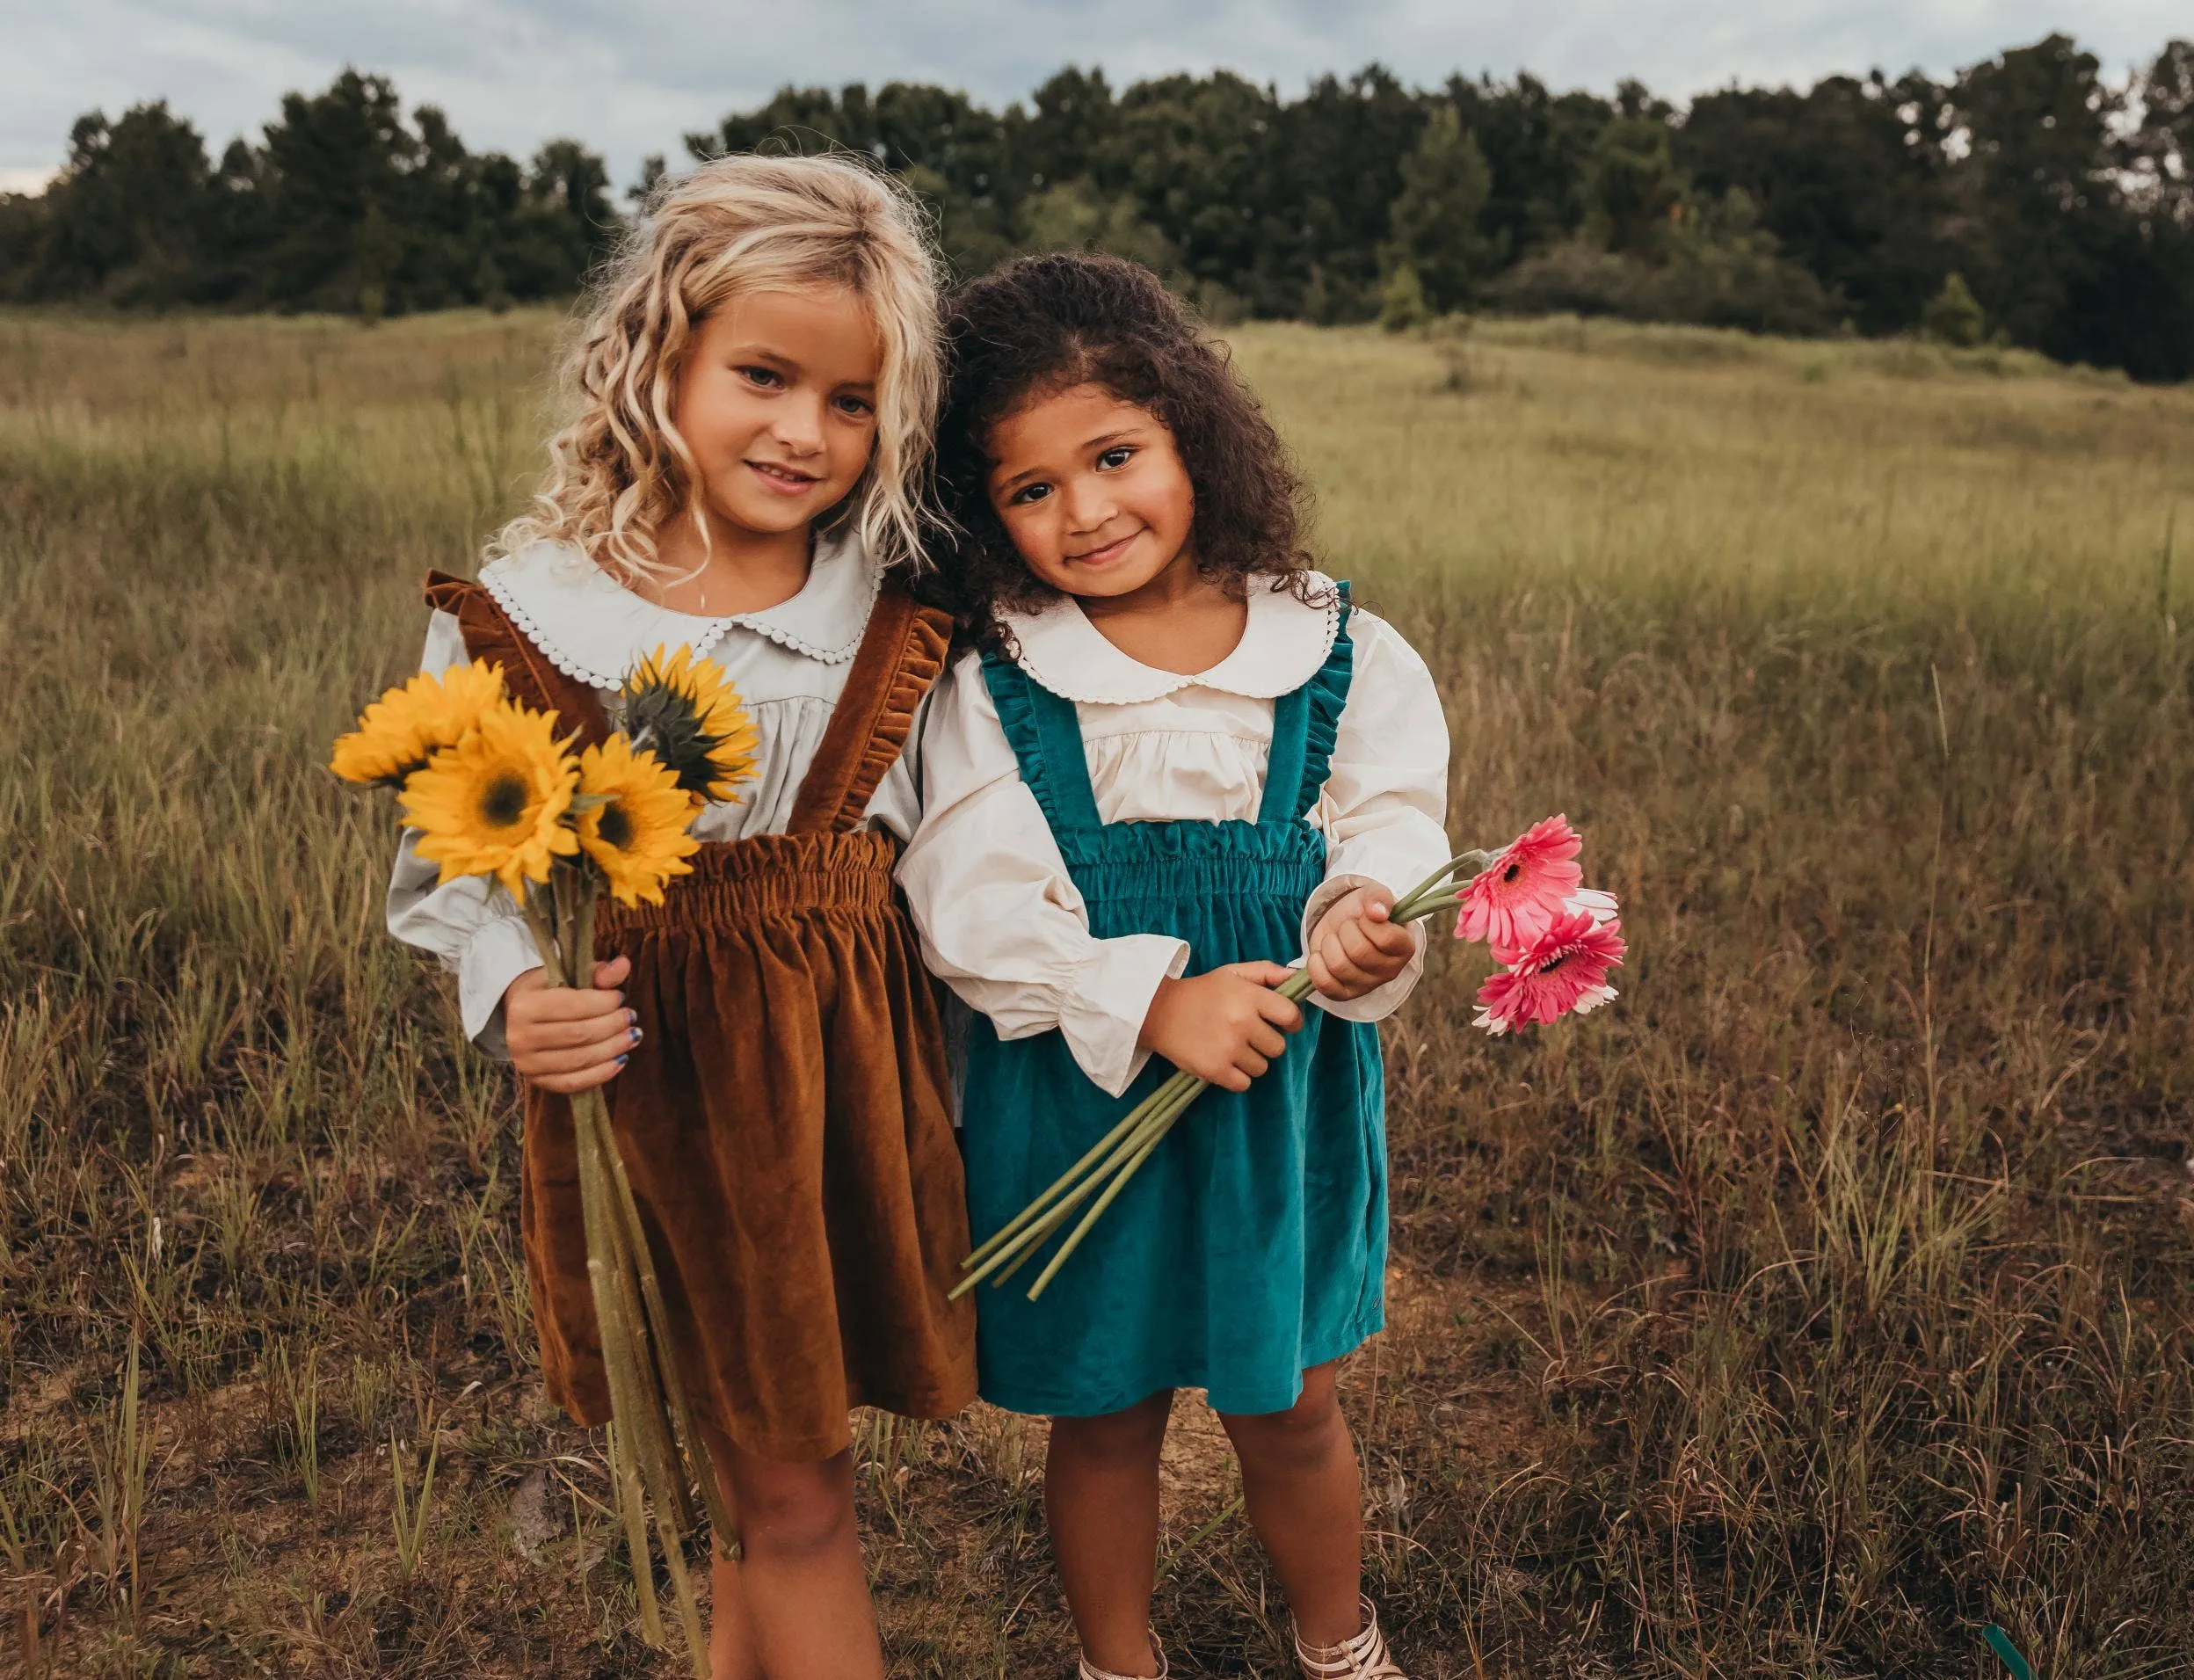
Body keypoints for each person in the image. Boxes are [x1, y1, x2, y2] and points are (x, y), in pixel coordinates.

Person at [383, 152, 972, 1680]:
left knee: (773, 1477)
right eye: (763, 375)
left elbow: (952, 845)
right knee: (781, 1482)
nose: (805, 432)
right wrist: (517, 991)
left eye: (853, 401)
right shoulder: (533, 610)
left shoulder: (892, 605)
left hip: (841, 1073)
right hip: (654, 1077)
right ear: (662, 357)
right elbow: (455, 867)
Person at [902, 253, 1452, 1680]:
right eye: (1030, 489)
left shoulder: (1337, 643)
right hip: (1082, 1092)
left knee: (1292, 1406)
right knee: (1105, 1409)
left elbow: (1389, 821)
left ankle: (1338, 1645)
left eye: (1113, 456)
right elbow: (964, 893)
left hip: (1276, 1082)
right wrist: (1147, 1001)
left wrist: (1360, 912)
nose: (1083, 512)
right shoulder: (994, 676)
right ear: (986, 511)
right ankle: (1117, 1664)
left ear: (1189, 432)